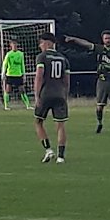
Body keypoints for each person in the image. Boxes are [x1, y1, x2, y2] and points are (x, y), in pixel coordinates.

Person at [65, 30, 110, 134]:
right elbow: (86, 43)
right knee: (100, 105)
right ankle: (99, 123)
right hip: (102, 80)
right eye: (105, 38)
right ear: (102, 40)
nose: (107, 40)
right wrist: (74, 39)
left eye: (109, 38)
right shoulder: (99, 49)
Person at [33, 33, 70, 164]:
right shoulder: (63, 58)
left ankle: (48, 150)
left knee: (38, 121)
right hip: (60, 94)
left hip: (46, 94)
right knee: (60, 125)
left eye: (41, 43)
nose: (40, 46)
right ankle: (61, 156)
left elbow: (39, 76)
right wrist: (65, 95)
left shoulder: (42, 57)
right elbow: (66, 80)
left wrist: (36, 95)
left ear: (48, 43)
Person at [1, 39, 31, 110]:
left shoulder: (20, 54)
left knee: (22, 90)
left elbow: (22, 65)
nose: (14, 46)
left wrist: (24, 74)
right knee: (8, 90)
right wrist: (3, 73)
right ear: (10, 45)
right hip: (10, 74)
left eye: (15, 44)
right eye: (13, 44)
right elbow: (5, 64)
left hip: (18, 75)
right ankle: (6, 106)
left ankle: (28, 105)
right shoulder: (9, 54)